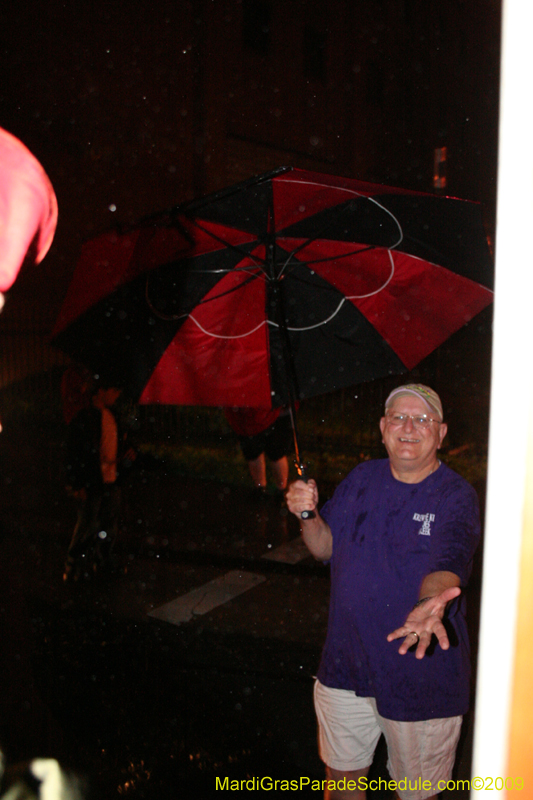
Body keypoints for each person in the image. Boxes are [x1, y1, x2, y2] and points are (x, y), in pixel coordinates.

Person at [286, 384, 480, 800]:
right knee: (340, 788)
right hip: (344, 668)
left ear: (441, 433)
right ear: (382, 427)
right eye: (398, 417)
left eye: (423, 419)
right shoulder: (361, 477)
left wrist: (429, 604)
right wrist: (307, 513)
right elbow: (325, 547)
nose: (409, 426)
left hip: (420, 676)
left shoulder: (455, 495)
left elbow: (449, 562)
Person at [63, 380, 123, 580]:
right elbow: (73, 452)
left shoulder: (111, 416)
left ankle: (102, 560)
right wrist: (76, 483)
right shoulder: (84, 418)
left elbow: (114, 444)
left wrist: (127, 453)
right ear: (100, 391)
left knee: (107, 525)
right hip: (93, 480)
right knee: (87, 524)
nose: (117, 395)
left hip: (110, 479)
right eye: (113, 389)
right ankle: (74, 566)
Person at [224, 406, 292, 494]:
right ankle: (261, 489)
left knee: (276, 453)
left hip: (274, 410)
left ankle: (281, 490)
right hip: (246, 414)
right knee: (253, 452)